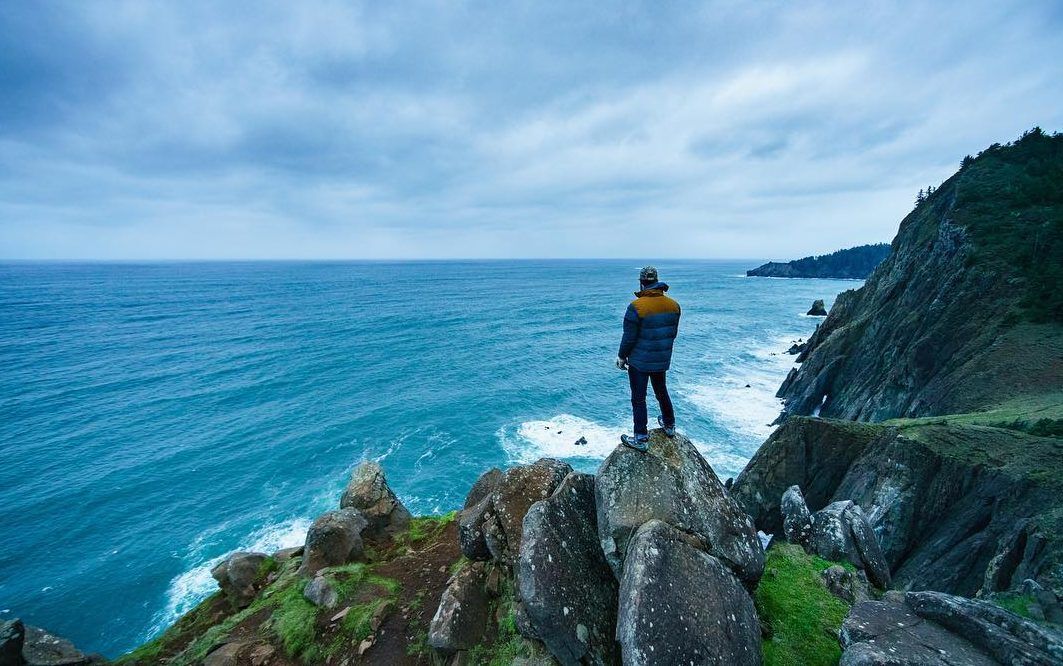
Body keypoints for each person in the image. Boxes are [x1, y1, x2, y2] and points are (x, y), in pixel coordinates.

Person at [616, 266, 680, 451]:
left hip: (639, 362)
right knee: (661, 391)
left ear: (642, 282)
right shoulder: (674, 306)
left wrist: (621, 357)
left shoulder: (636, 307)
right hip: (661, 358)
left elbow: (628, 338)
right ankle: (669, 425)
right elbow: (672, 334)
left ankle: (641, 439)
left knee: (638, 398)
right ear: (657, 281)